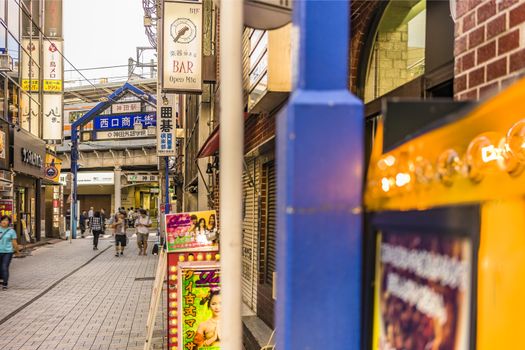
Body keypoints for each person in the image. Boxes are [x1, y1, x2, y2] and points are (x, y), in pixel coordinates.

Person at [0, 215, 19, 290]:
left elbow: (14, 242)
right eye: (3, 220)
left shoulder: (11, 231)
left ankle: (5, 283)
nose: (5, 221)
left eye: (7, 220)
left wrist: (17, 251)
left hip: (7, 252)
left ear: (9, 222)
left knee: (4, 267)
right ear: (1, 221)